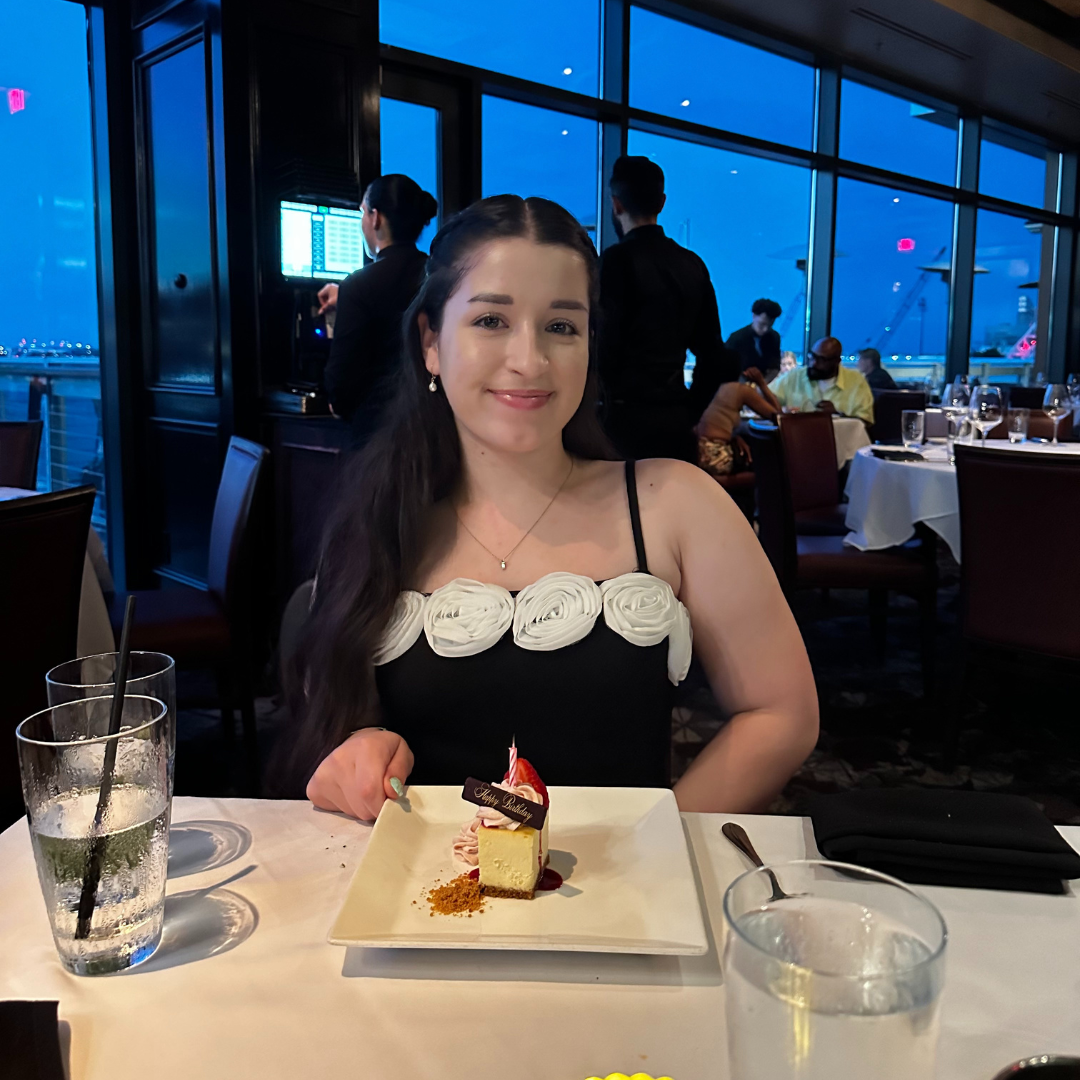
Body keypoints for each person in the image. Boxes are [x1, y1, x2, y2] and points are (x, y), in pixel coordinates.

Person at [273, 195, 818, 820]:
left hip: (632, 880)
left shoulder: (674, 504)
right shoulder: (379, 521)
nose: (529, 360)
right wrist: (355, 755)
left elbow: (781, 713)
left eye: (561, 327)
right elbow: (337, 733)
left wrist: (654, 847)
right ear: (431, 341)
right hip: (421, 877)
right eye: (490, 321)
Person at [598, 156, 737, 464]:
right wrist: (690, 410)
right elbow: (715, 356)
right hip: (675, 426)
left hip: (620, 425)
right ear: (662, 202)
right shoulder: (692, 264)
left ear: (616, 204)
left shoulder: (615, 262)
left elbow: (604, 347)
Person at [321, 174, 437, 446]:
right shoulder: (439, 276)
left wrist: (337, 403)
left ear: (375, 218)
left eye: (362, 212)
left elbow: (342, 380)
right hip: (434, 427)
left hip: (377, 435)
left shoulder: (358, 285)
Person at [695, 367, 780, 478]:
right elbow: (779, 417)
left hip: (696, 450)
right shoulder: (741, 390)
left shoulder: (707, 386)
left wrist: (735, 437)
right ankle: (721, 481)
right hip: (715, 455)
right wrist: (761, 383)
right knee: (767, 474)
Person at [769, 337, 874, 426]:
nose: (814, 363)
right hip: (798, 438)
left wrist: (837, 416)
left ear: (836, 361)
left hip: (841, 441)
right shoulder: (796, 376)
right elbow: (767, 397)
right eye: (812, 357)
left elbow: (866, 422)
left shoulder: (855, 382)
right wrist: (782, 410)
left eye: (821, 360)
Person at [726, 299, 783, 378]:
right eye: (762, 324)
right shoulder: (736, 338)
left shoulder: (774, 337)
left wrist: (763, 383)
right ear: (754, 316)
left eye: (770, 325)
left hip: (765, 382)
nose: (765, 329)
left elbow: (774, 367)